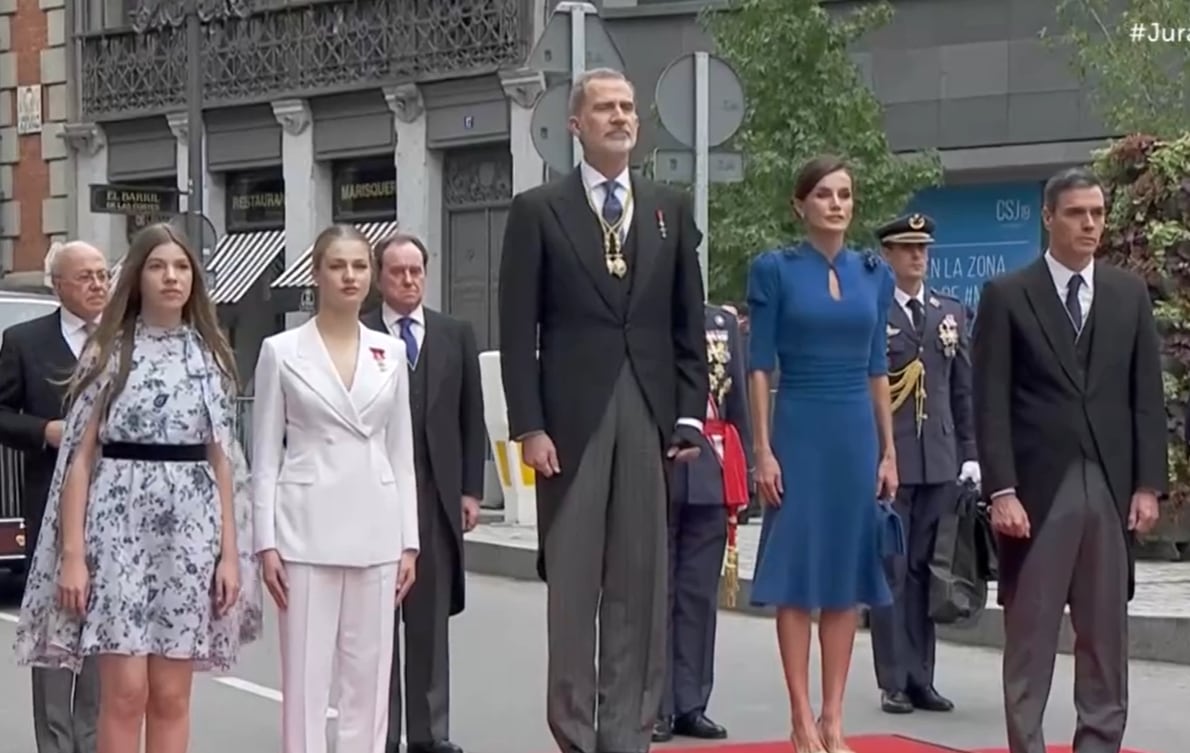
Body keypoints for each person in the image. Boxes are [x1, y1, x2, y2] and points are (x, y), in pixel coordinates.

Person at [497, 67, 708, 753]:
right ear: (575, 124)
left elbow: (687, 319)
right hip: (570, 421)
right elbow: (516, 325)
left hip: (648, 413)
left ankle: (628, 733)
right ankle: (575, 733)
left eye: (627, 108)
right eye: (605, 108)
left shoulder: (668, 208)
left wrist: (688, 414)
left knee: (640, 586)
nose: (620, 117)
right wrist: (528, 425)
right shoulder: (538, 210)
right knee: (575, 586)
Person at [12, 223, 262, 753]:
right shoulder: (108, 351)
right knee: (124, 694)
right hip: (118, 535)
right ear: (138, 278)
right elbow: (79, 460)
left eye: (181, 267)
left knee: (172, 696)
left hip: (191, 540)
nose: (171, 277)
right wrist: (74, 555)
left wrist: (230, 556)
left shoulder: (209, 356)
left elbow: (224, 461)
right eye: (157, 266)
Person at [972, 167, 1166, 753]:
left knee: (1106, 634)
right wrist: (1001, 489)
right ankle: (1026, 744)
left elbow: (1146, 397)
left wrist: (1148, 486)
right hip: (1036, 490)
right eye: (1078, 213)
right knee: (1030, 637)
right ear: (1049, 218)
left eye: (1098, 213)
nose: (1090, 224)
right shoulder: (1008, 295)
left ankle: (1099, 743)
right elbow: (990, 401)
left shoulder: (1128, 295)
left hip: (1108, 485)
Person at [747, 155, 896, 753]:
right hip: (799, 427)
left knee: (845, 576)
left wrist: (889, 451)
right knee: (799, 578)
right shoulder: (774, 270)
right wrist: (763, 449)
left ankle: (835, 717)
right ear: (800, 205)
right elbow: (759, 365)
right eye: (825, 195)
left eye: (845, 195)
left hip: (856, 433)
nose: (837, 204)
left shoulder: (873, 272)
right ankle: (801, 716)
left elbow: (878, 368)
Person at [252, 224, 420, 753]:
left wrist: (408, 540)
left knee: (369, 683)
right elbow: (264, 456)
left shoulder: (390, 353)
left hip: (375, 526)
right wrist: (265, 541)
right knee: (304, 680)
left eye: (359, 266)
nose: (349, 276)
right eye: (337, 266)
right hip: (304, 527)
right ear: (317, 274)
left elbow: (401, 452)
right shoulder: (280, 351)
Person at [363, 233, 486, 753]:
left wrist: (471, 490)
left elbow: (471, 415)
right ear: (379, 277)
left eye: (416, 271)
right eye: (398, 272)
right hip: (374, 497)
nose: (409, 280)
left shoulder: (455, 334)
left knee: (429, 621)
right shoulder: (358, 331)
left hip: (437, 496)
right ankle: (381, 733)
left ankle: (430, 734)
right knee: (377, 623)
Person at [867, 214, 977, 715]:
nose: (917, 257)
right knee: (892, 571)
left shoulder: (948, 312)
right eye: (907, 248)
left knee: (926, 573)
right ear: (887, 254)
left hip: (939, 459)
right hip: (892, 463)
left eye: (923, 249)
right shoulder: (873, 310)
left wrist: (970, 455)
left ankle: (922, 677)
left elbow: (962, 391)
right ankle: (892, 678)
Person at [0, 241, 107, 753]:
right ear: (57, 285)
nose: (97, 285)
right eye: (84, 276)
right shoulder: (24, 341)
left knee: (103, 638)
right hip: (50, 507)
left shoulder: (124, 338)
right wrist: (45, 430)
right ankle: (56, 745)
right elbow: (0, 414)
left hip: (116, 508)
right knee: (54, 632)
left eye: (103, 275)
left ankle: (93, 741)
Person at [653, 303, 751, 743]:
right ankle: (655, 704)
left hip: (711, 470)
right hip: (657, 466)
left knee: (697, 594)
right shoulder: (645, 314)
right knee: (656, 593)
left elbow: (739, 402)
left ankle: (691, 702)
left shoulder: (721, 322)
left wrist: (742, 473)